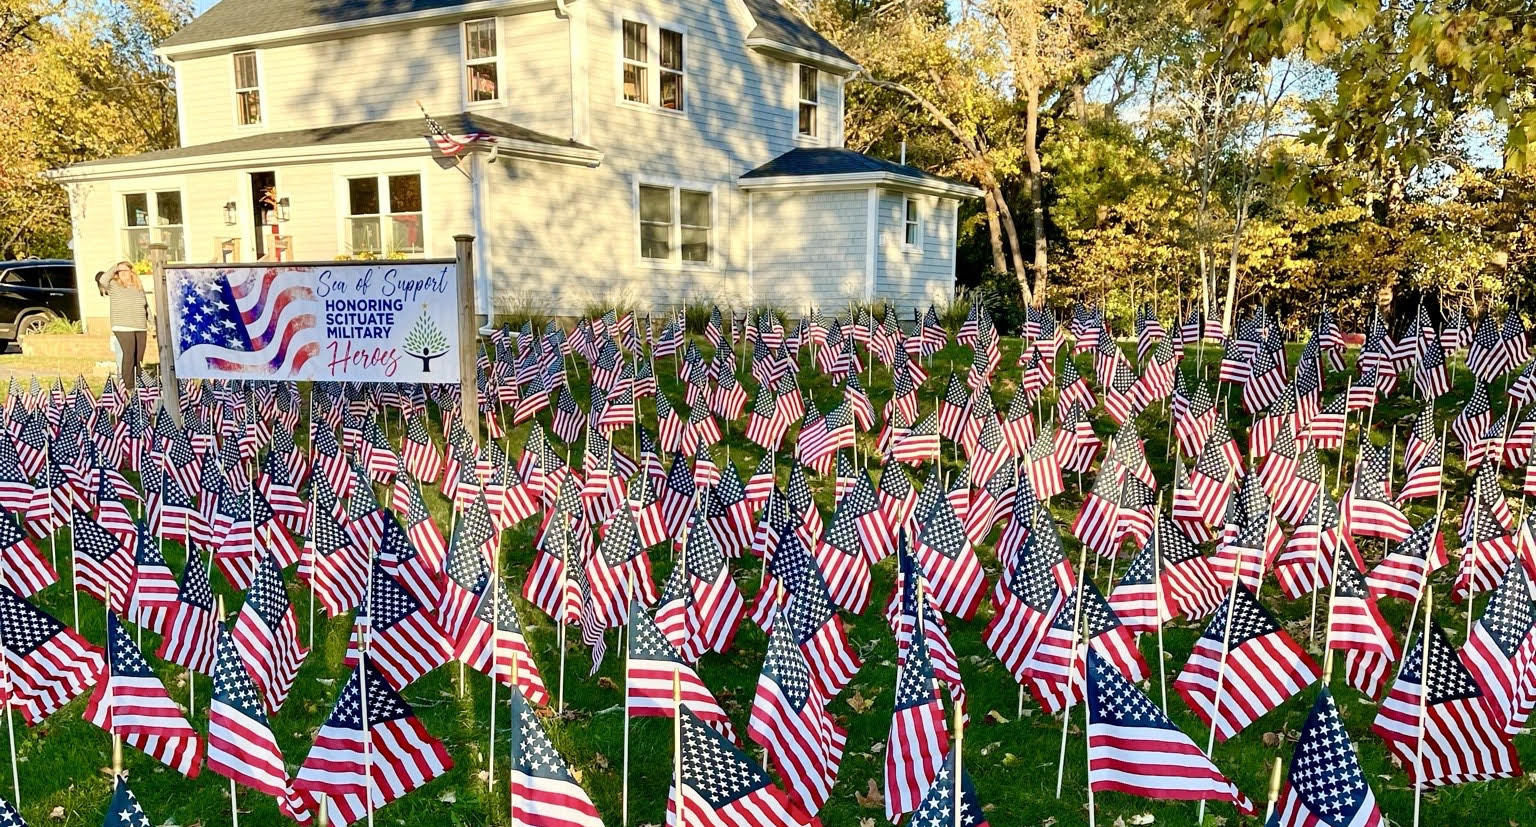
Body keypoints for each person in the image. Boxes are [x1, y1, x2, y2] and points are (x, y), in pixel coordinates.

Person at [103, 261, 149, 387]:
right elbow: (103, 279)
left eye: (125, 271)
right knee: (129, 355)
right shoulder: (113, 285)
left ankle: (139, 383)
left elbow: (146, 305)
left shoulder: (137, 286)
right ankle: (127, 386)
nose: (122, 273)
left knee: (138, 357)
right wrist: (115, 266)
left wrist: (151, 323)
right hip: (122, 325)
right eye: (119, 271)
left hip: (140, 325)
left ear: (131, 272)